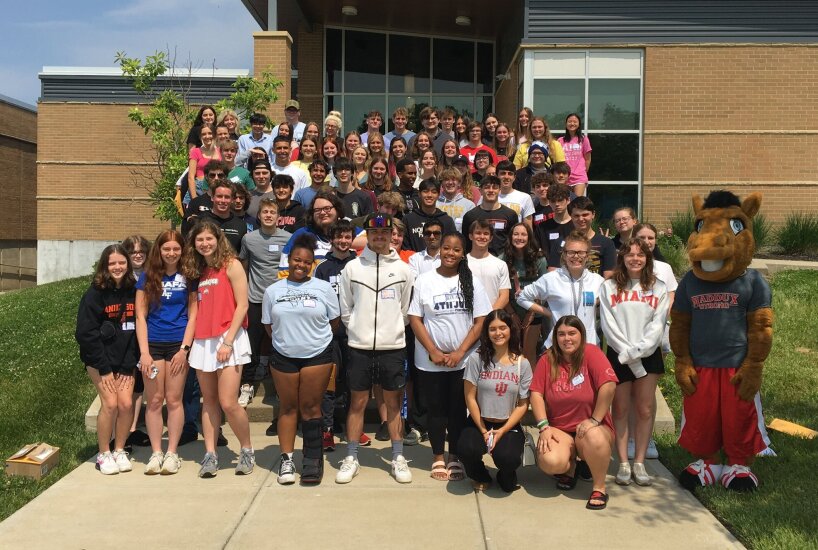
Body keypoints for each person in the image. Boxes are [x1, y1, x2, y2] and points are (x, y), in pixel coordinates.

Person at [337, 214, 415, 484]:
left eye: (384, 233)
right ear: (367, 236)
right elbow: (345, 309)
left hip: (392, 346)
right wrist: (357, 328)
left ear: (392, 234)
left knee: (393, 404)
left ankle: (397, 456)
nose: (379, 237)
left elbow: (405, 312)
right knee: (357, 402)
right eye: (374, 233)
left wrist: (390, 329)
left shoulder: (404, 270)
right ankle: (351, 456)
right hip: (359, 346)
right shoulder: (352, 268)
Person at [409, 232, 492, 482]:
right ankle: (437, 456)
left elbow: (481, 321)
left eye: (456, 250)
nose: (450, 253)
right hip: (430, 360)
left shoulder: (472, 282)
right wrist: (433, 351)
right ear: (440, 250)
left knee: (458, 409)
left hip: (463, 360)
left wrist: (460, 352)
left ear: (462, 253)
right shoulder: (424, 280)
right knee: (435, 410)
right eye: (446, 248)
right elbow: (415, 318)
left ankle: (454, 456)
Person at [262, 232, 340, 485]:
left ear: (312, 264)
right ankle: (287, 459)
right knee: (287, 408)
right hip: (284, 356)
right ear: (289, 260)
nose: (301, 265)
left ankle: (312, 459)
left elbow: (334, 322)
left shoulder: (323, 288)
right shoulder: (273, 291)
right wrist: (288, 340)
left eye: (307, 262)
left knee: (311, 407)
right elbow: (268, 325)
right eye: (297, 260)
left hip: (317, 354)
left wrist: (310, 339)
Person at [183, 221, 254, 478]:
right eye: (199, 240)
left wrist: (227, 342)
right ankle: (210, 454)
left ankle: (246, 449)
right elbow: (195, 312)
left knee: (228, 402)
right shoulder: (197, 271)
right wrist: (187, 346)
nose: (204, 243)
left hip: (228, 338)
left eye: (208, 239)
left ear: (218, 239)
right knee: (209, 401)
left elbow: (243, 306)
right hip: (203, 340)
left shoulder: (231, 265)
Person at [600, 238, 668, 487]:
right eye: (630, 255)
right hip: (618, 354)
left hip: (648, 355)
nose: (635, 259)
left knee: (645, 409)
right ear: (622, 258)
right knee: (619, 409)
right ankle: (623, 462)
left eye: (640, 255)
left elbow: (657, 325)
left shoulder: (657, 287)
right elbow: (608, 325)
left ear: (648, 258)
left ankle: (639, 462)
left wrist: (638, 353)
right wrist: (628, 353)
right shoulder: (609, 287)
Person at [530, 315, 616, 510]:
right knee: (550, 462)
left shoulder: (592, 353)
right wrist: (543, 427)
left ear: (581, 335)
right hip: (560, 428)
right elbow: (536, 393)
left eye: (572, 333)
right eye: (561, 334)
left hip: (591, 427)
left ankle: (599, 487)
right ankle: (572, 467)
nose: (566, 338)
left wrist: (594, 419)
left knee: (594, 438)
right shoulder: (547, 359)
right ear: (555, 337)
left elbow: (609, 385)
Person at [134, 230, 197, 475]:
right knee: (155, 401)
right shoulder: (148, 276)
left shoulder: (189, 276)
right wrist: (144, 353)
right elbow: (140, 315)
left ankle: (172, 453)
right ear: (158, 250)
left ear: (182, 250)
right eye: (166, 248)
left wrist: (184, 349)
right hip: (152, 344)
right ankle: (156, 452)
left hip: (177, 345)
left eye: (176, 249)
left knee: (173, 400)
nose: (171, 253)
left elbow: (194, 314)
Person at [76, 244, 138, 475]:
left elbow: (136, 329)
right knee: (110, 404)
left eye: (122, 262)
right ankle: (103, 453)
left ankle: (119, 449)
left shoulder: (134, 290)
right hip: (99, 360)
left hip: (125, 360)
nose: (117, 267)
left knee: (126, 404)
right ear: (105, 265)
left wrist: (128, 364)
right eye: (112, 263)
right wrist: (104, 368)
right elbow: (85, 334)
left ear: (128, 264)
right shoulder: (95, 293)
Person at [458, 309, 532, 492]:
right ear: (486, 333)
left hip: (508, 424)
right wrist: (483, 429)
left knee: (508, 463)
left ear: (510, 330)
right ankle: (481, 475)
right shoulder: (476, 359)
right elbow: (469, 397)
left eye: (502, 328)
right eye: (492, 329)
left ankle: (505, 475)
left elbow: (523, 404)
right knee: (466, 449)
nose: (498, 333)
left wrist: (503, 430)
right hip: (480, 421)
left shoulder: (522, 364)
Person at [237, 199, 292, 408]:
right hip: (255, 299)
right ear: (259, 216)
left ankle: (280, 386)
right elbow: (243, 266)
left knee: (280, 344)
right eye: (265, 212)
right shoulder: (249, 239)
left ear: (279, 216)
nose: (269, 215)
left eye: (273, 212)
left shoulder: (288, 238)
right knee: (251, 344)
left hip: (280, 301)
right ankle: (247, 384)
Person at [517, 231, 605, 348]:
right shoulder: (551, 279)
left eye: (581, 252)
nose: (576, 256)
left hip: (588, 345)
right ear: (564, 255)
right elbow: (521, 297)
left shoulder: (597, 281)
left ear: (587, 255)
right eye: (571, 252)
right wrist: (548, 313)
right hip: (560, 345)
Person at [501, 222, 549, 367]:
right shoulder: (502, 259)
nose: (519, 237)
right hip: (510, 311)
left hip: (533, 312)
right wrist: (511, 314)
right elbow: (500, 290)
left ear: (529, 237)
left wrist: (531, 312)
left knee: (528, 353)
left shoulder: (539, 259)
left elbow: (543, 290)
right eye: (516, 234)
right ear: (510, 237)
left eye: (523, 234)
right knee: (512, 352)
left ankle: (531, 388)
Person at [121, 235, 151, 450]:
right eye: (133, 252)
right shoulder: (121, 276)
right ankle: (121, 430)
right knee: (125, 383)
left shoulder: (151, 275)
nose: (138, 255)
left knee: (139, 386)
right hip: (124, 335)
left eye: (141, 251)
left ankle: (132, 429)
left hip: (146, 333)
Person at [547, 196, 616, 278]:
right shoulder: (559, 242)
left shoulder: (606, 243)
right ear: (571, 216)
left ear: (593, 215)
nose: (581, 219)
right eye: (576, 215)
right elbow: (552, 275)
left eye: (585, 215)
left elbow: (609, 277)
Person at [461, 175, 518, 256]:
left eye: (495, 187)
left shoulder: (510, 214)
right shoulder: (470, 216)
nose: (491, 190)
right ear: (480, 190)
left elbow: (513, 242)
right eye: (487, 187)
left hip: (503, 260)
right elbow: (466, 243)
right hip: (477, 260)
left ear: (499, 190)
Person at [466, 219, 511, 311]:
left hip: (491, 320)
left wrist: (488, 317)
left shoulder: (500, 264)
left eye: (486, 233)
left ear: (490, 238)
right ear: (470, 236)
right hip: (466, 318)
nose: (482, 237)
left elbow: (504, 296)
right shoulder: (462, 263)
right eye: (478, 233)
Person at [401, 178, 456, 252]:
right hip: (414, 262)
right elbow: (405, 247)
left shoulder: (447, 220)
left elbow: (451, 245)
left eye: (434, 192)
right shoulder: (408, 219)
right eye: (425, 192)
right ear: (419, 194)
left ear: (438, 195)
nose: (429, 195)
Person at [202, 180, 246, 254]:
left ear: (232, 199)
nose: (223, 200)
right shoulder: (201, 221)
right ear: (212, 197)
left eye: (227, 197)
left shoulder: (241, 225)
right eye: (219, 196)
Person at [558, 113, 592, 197]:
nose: (572, 124)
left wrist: (583, 171)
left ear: (579, 124)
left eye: (575, 122)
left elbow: (588, 159)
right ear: (566, 124)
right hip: (565, 177)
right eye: (569, 121)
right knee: (565, 202)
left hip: (579, 177)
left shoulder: (583, 139)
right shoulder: (560, 140)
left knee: (577, 203)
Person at [187, 124, 222, 202]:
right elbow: (191, 177)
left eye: (210, 133)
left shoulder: (220, 151)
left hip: (216, 189)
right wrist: (194, 199)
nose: (207, 136)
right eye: (204, 134)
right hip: (199, 188)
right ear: (200, 137)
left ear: (215, 135)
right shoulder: (195, 152)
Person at [496, 160, 535, 227]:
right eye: (503, 173)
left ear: (514, 177)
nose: (506, 177)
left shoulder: (525, 198)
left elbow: (528, 229)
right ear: (497, 176)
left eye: (510, 174)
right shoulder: (487, 197)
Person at [436, 167, 475, 233]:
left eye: (453, 179)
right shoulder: (435, 204)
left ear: (459, 183)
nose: (450, 182)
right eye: (446, 179)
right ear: (441, 183)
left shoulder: (469, 205)